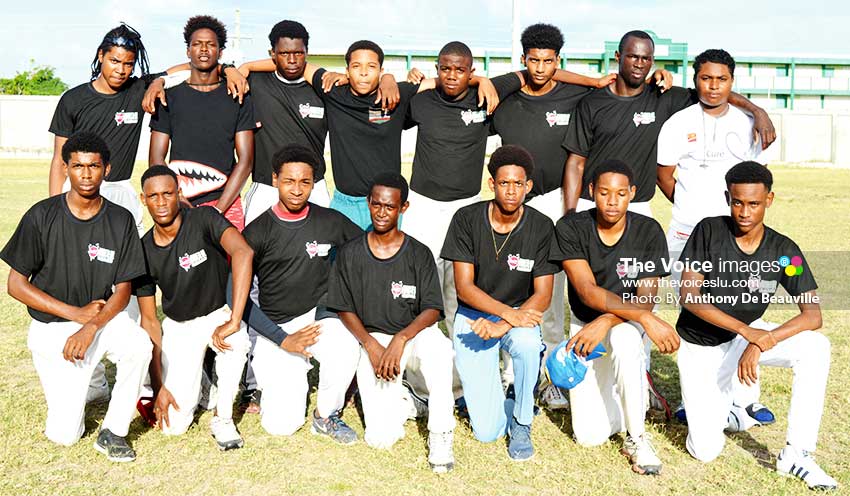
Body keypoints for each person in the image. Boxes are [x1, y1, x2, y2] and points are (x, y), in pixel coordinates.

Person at [490, 23, 668, 410]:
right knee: (545, 289)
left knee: (635, 287)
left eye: (548, 61)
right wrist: (573, 215)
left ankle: (639, 376)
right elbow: (487, 84)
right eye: (533, 61)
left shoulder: (579, 92)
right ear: (523, 61)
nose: (541, 68)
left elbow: (579, 87)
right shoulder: (506, 95)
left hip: (582, 199)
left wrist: (568, 210)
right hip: (533, 203)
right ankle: (547, 371)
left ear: (558, 61)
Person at [675, 162, 836, 490]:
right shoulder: (709, 231)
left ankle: (797, 454)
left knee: (816, 347)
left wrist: (761, 339)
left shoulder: (783, 252)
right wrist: (749, 333)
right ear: (727, 198)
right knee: (705, 450)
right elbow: (690, 296)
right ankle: (731, 413)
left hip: (747, 335)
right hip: (702, 344)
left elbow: (812, 315)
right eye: (737, 202)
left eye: (754, 203)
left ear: (769, 200)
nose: (744, 212)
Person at [1, 132, 151, 462]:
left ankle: (113, 431)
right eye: (78, 166)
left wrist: (90, 324)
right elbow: (16, 285)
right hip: (53, 327)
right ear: (66, 168)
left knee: (140, 346)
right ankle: (88, 386)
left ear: (106, 169)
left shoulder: (120, 219)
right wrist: (75, 315)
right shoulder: (42, 215)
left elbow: (124, 289)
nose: (85, 174)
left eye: (93, 166)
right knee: (65, 435)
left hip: (98, 320)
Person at [656, 48, 774, 426]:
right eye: (706, 78)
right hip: (687, 232)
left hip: (734, 236)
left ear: (732, 82)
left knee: (738, 308)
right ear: (696, 80)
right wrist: (696, 212)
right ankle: (695, 399)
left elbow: (757, 181)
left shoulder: (747, 123)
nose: (713, 86)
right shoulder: (678, 122)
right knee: (695, 312)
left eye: (721, 79)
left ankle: (744, 398)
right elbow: (665, 176)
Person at [50, 23, 248, 236]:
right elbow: (58, 161)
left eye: (128, 64)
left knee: (124, 260)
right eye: (114, 61)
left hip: (120, 189)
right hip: (78, 190)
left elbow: (192, 67)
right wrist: (53, 208)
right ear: (101, 56)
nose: (120, 69)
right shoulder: (73, 99)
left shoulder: (138, 91)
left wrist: (227, 69)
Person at [549, 159, 678, 475]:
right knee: (589, 436)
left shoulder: (648, 230)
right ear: (591, 191)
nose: (612, 200)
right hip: (584, 328)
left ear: (632, 193)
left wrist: (608, 321)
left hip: (625, 325)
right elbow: (587, 291)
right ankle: (633, 391)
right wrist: (644, 318)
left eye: (621, 193)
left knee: (625, 338)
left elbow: (645, 301)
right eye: (604, 192)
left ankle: (637, 438)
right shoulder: (571, 227)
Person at [563, 30, 775, 217]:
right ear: (618, 57)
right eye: (633, 56)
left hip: (637, 206)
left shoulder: (663, 96)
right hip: (591, 204)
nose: (639, 63)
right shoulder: (592, 102)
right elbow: (576, 163)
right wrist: (571, 213)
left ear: (652, 61)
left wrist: (757, 111)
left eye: (646, 58)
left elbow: (715, 92)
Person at [327, 173, 456, 473]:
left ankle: (441, 433)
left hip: (413, 334)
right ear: (369, 204)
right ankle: (409, 400)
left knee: (440, 350)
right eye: (376, 205)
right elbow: (343, 307)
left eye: (390, 206)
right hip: (374, 340)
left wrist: (401, 339)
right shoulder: (351, 252)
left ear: (403, 208)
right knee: (381, 439)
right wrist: (371, 345)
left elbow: (433, 309)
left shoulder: (419, 253)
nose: (382, 212)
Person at [441, 145, 557, 461]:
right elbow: (464, 288)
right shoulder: (466, 218)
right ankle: (496, 401)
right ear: (491, 184)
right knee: (486, 432)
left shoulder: (542, 226)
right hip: (474, 318)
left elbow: (543, 295)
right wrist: (500, 316)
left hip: (520, 316)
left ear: (528, 186)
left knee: (528, 345)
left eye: (518, 184)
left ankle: (522, 419)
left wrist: (506, 322)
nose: (511, 190)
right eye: (504, 183)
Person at [241, 145, 362, 441]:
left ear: (313, 183)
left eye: (305, 182)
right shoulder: (257, 231)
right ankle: (285, 380)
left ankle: (325, 415)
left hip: (317, 318)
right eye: (289, 181)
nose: (297, 190)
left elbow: (365, 248)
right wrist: (284, 340)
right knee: (280, 426)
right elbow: (239, 299)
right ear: (274, 180)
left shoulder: (329, 220)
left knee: (346, 347)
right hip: (277, 327)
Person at [134, 165, 252, 450]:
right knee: (172, 427)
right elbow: (150, 321)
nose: (161, 202)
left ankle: (223, 419)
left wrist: (234, 319)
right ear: (143, 199)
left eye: (167, 194)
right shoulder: (143, 250)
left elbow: (243, 251)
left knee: (236, 343)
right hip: (179, 327)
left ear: (179, 193)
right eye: (154, 196)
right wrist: (160, 386)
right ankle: (200, 381)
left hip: (216, 315)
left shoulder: (203, 218)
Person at [149, 15, 257, 231]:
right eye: (197, 44)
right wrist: (180, 201)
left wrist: (218, 210)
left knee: (233, 262)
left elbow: (245, 161)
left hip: (226, 203)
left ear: (220, 51)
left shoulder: (237, 96)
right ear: (188, 51)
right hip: (178, 203)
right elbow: (156, 158)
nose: (204, 50)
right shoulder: (167, 98)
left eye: (211, 45)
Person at [241, 20, 332, 224]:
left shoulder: (323, 87)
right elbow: (205, 72)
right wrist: (162, 79)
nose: (292, 60)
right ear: (272, 53)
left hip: (313, 187)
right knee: (252, 253)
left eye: (298, 53)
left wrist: (387, 77)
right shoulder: (254, 82)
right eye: (284, 54)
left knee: (323, 253)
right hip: (266, 187)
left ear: (307, 53)